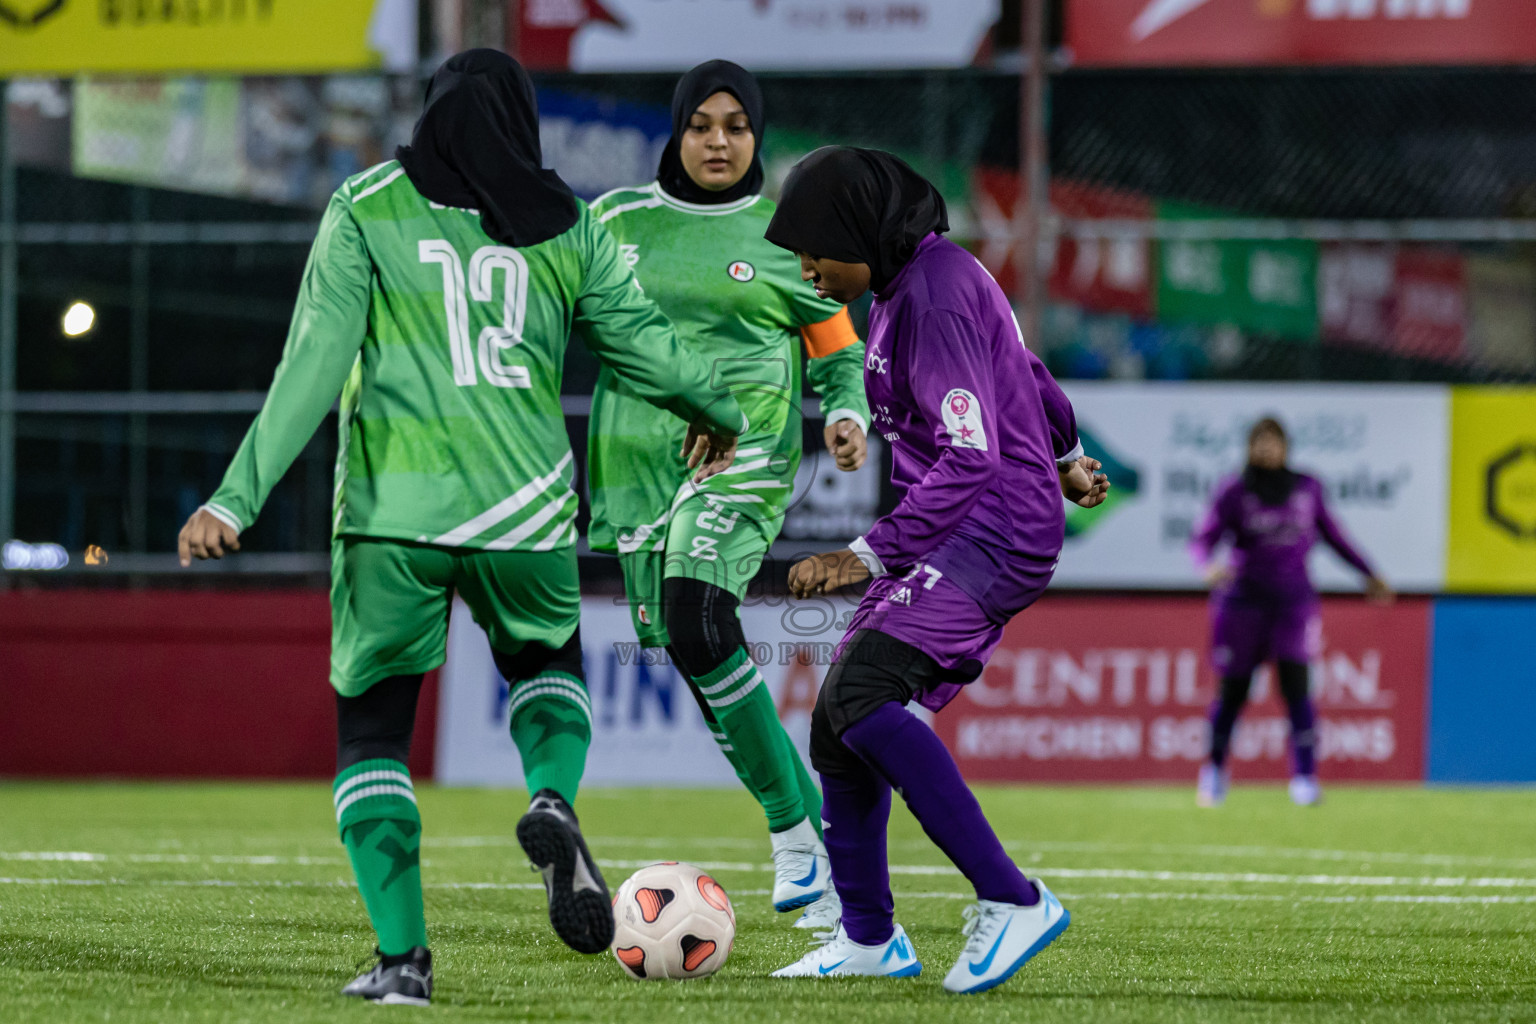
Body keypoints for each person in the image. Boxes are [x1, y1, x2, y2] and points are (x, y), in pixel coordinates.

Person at [175, 50, 742, 1006]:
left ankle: (404, 962)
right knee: (546, 668)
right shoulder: (568, 222)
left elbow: (312, 364)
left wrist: (236, 495)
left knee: (375, 734)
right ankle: (552, 796)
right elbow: (646, 345)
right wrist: (714, 405)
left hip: (396, 515)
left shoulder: (367, 204)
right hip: (524, 510)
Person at [759, 147, 1111, 995]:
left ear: (858, 231)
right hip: (958, 527)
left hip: (989, 526)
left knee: (860, 699)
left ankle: (1013, 898)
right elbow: (1020, 367)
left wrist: (862, 553)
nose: (806, 270)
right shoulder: (905, 287)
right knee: (836, 729)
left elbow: (969, 456)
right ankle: (871, 938)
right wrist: (1064, 449)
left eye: (814, 251)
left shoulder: (934, 292)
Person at [587, 61, 870, 930]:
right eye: (702, 124)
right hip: (632, 469)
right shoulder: (610, 222)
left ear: (757, 137)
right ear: (677, 132)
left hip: (742, 458)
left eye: (736, 126)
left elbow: (837, 346)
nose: (718, 141)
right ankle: (818, 840)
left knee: (701, 616)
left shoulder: (788, 236)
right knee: (691, 641)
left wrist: (847, 410)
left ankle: (792, 836)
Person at [1190, 416, 1392, 808]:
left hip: (1293, 604)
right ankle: (1213, 772)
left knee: (1297, 689)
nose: (1266, 448)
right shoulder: (1234, 489)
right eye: (1259, 441)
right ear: (1250, 447)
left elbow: (1335, 535)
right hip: (1242, 603)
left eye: (1273, 441)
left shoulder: (1307, 488)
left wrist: (1369, 574)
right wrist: (1207, 566)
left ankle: (1304, 778)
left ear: (1285, 447)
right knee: (1232, 692)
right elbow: (1203, 538)